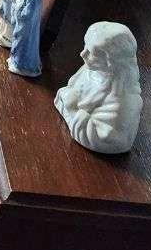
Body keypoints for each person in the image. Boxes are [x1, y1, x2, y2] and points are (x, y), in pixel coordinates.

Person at [54, 21, 142, 154]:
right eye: (85, 46)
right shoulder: (90, 70)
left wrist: (72, 110)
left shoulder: (121, 99)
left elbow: (107, 136)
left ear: (112, 61)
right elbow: (67, 92)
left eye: (92, 52)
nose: (83, 54)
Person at [7, 0, 43, 77]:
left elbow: (28, 14)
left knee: (23, 45)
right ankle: (16, 60)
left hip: (26, 26)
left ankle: (22, 65)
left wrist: (18, 11)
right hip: (22, 24)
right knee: (18, 43)